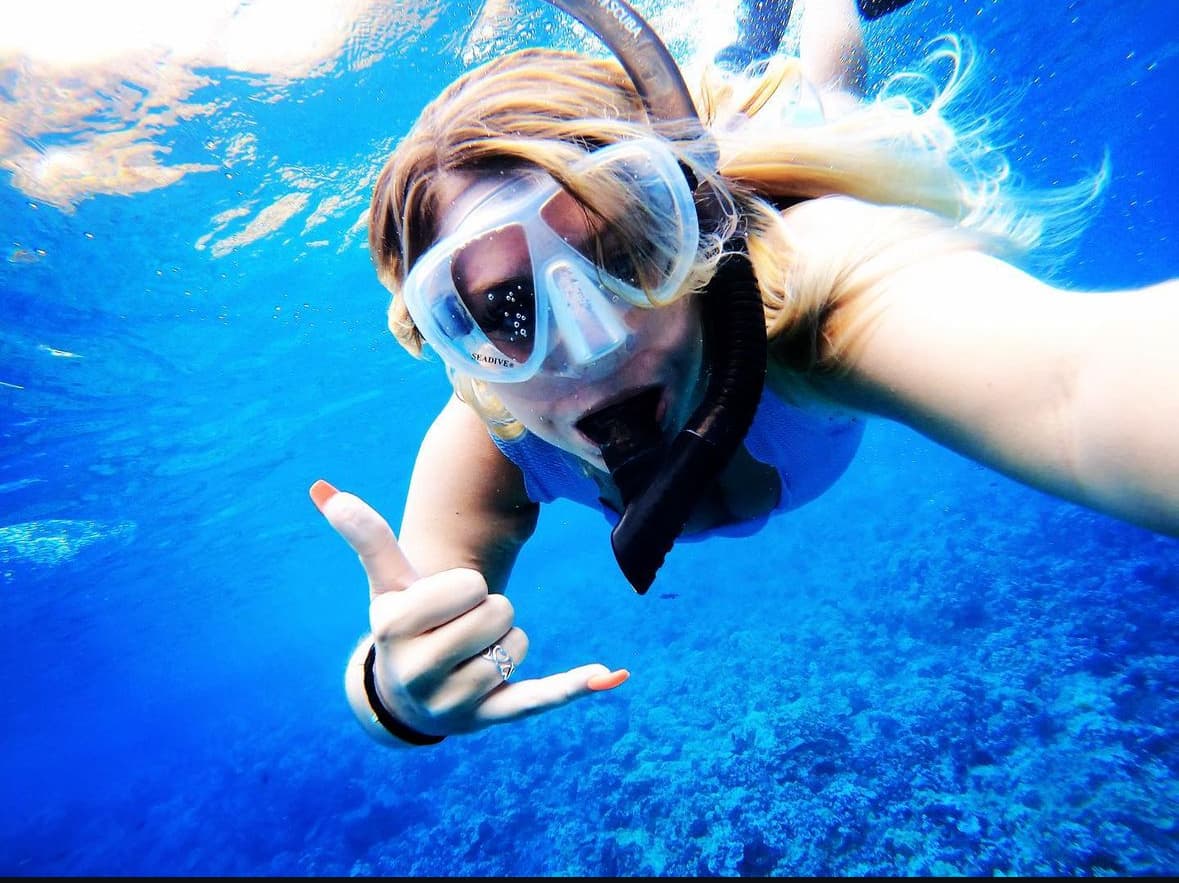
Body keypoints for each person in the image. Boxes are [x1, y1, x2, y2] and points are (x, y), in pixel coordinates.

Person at [310, 0, 1179, 748]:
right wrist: (398, 691)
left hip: (770, 174)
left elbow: (1076, 383)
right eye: (506, 310)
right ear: (447, 341)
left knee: (827, 99)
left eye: (623, 249)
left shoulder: (809, 293)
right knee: (756, 79)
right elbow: (403, 637)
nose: (591, 341)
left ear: (692, 217)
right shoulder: (492, 434)